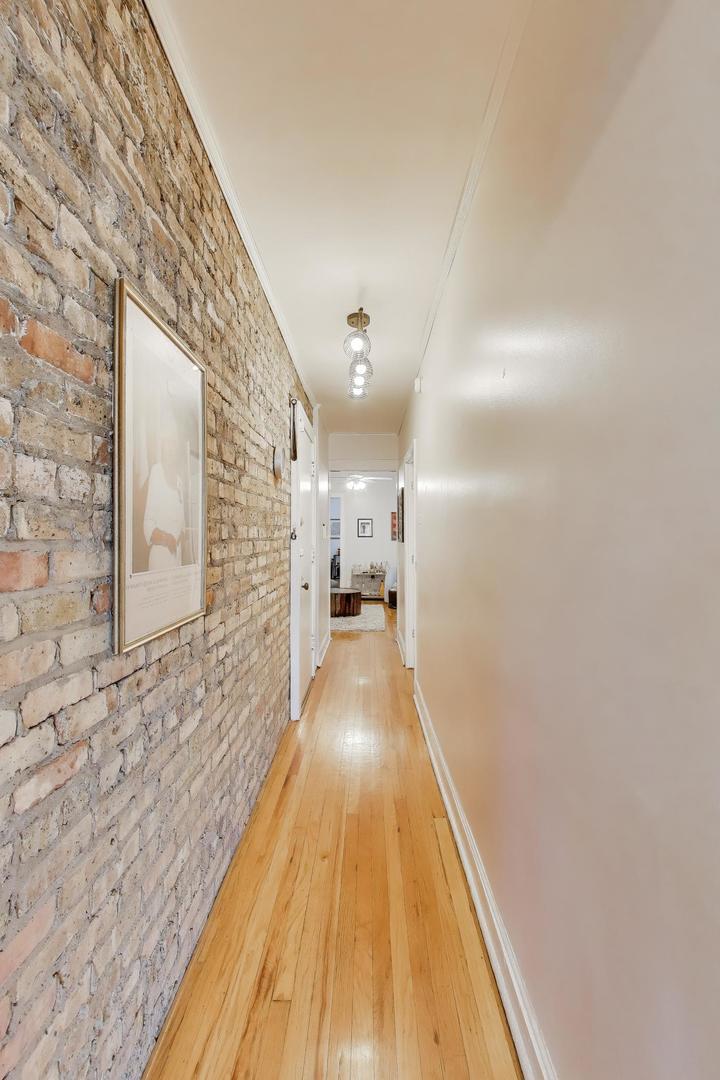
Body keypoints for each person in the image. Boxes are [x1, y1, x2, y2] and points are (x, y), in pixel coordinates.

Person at [143, 416, 186, 570]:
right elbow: (148, 523)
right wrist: (168, 539)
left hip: (176, 559)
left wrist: (180, 537)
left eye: (174, 443)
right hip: (160, 559)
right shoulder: (157, 472)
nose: (171, 449)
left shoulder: (179, 481)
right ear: (163, 446)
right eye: (168, 443)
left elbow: (181, 524)